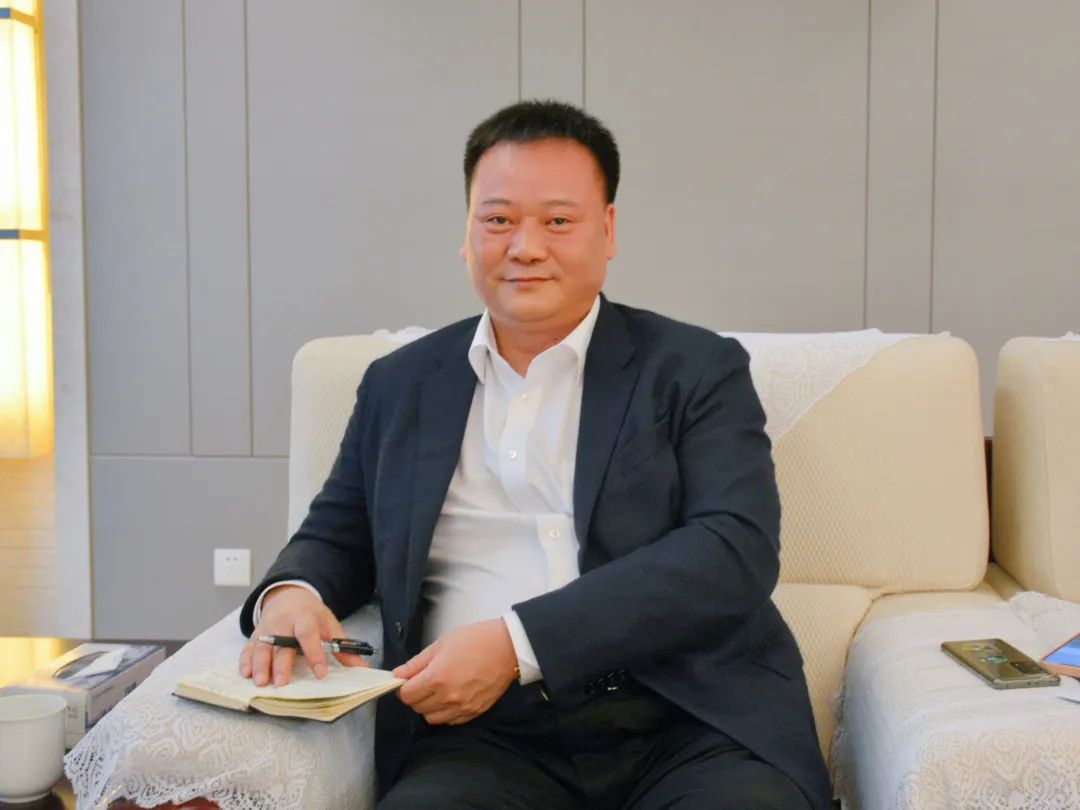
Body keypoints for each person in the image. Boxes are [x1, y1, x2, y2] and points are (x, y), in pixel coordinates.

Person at [238, 100, 832, 809]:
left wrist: (517, 644)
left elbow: (733, 549)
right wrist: (291, 596)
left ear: (607, 230)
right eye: (497, 220)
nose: (524, 247)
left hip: (692, 721)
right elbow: (339, 535)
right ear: (466, 234)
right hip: (481, 738)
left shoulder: (696, 368)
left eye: (557, 221)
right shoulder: (400, 385)